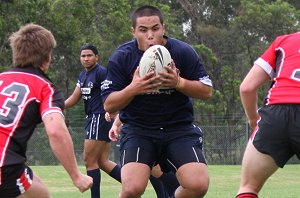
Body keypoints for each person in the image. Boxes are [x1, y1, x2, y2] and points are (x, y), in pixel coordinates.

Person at [101, 5, 213, 198]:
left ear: (163, 27)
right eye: (143, 30)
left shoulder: (183, 51)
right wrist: (134, 88)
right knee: (131, 189)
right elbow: (109, 105)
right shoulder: (122, 56)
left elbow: (207, 91)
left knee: (198, 185)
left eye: (155, 28)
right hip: (139, 130)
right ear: (133, 31)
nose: (150, 35)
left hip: (179, 129)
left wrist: (179, 82)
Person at [0, 23, 93, 198]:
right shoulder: (45, 88)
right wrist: (76, 176)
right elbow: (56, 131)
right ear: (47, 57)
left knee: (38, 189)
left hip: (11, 167)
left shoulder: (2, 77)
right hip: (4, 168)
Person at [236, 32, 300, 198]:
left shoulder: (284, 41)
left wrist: (253, 120)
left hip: (275, 115)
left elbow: (246, 88)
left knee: (248, 188)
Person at [65, 43, 121, 198]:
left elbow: (111, 94)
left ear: (97, 57)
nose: (86, 58)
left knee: (89, 160)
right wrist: (56, 105)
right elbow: (75, 98)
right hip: (93, 118)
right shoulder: (83, 75)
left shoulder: (101, 73)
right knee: (102, 161)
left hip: (99, 117)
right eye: (83, 56)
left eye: (89, 55)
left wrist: (113, 112)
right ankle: (133, 183)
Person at [106, 113, 180, 198]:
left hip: (162, 129)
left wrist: (117, 119)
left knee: (156, 169)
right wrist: (116, 121)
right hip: (138, 132)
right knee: (135, 183)